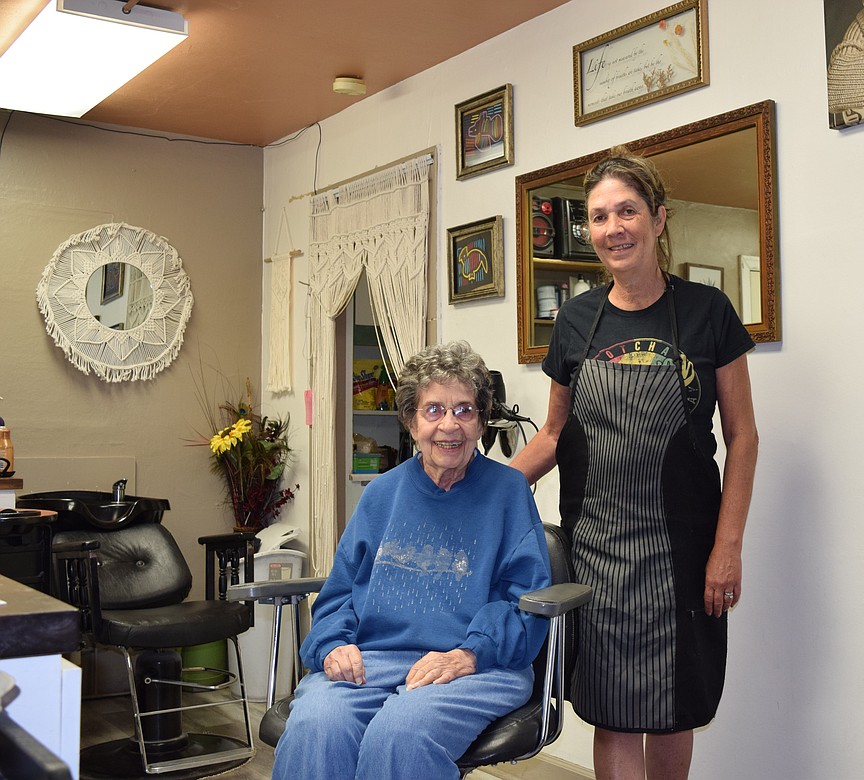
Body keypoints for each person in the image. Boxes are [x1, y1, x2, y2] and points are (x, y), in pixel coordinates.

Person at [510, 146, 759, 779]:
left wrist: (726, 544)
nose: (613, 228)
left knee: (675, 707)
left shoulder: (709, 312)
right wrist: (482, 485)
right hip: (598, 551)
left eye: (627, 211)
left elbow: (744, 435)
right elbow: (555, 431)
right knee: (612, 707)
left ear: (658, 217)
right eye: (598, 217)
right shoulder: (575, 320)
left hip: (684, 552)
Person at [272, 341, 552, 780]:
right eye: (434, 410)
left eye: (464, 410)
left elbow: (526, 601)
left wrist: (469, 654)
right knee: (316, 724)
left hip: (476, 667)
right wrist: (333, 645)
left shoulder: (508, 493)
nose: (450, 426)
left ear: (480, 422)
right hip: (375, 659)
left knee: (399, 734)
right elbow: (340, 592)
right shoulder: (382, 494)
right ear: (410, 421)